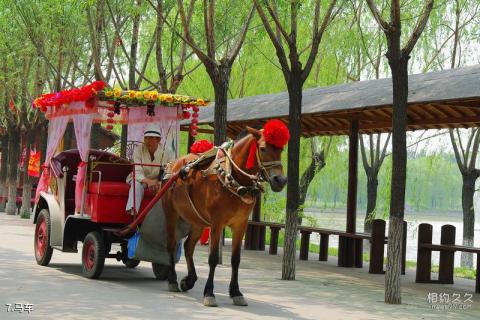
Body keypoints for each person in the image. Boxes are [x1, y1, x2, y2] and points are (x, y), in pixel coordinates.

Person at [125, 124, 169, 215]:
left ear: (158, 140)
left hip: (157, 180)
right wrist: (147, 181)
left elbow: (168, 171)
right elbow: (137, 171)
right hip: (139, 178)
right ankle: (133, 212)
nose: (148, 141)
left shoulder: (167, 152)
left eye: (151, 138)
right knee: (136, 184)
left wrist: (160, 182)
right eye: (146, 138)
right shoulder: (138, 150)